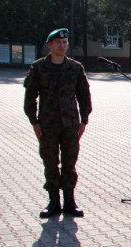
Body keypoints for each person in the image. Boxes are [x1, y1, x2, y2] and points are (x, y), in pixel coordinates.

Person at [24, 28, 92, 219]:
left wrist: (84, 120)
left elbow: (84, 95)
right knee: (50, 163)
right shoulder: (38, 68)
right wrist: (34, 122)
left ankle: (70, 202)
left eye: (65, 42)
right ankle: (54, 202)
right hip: (48, 125)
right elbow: (30, 97)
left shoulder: (75, 68)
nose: (62, 45)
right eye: (58, 42)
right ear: (50, 45)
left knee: (70, 163)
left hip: (71, 124)